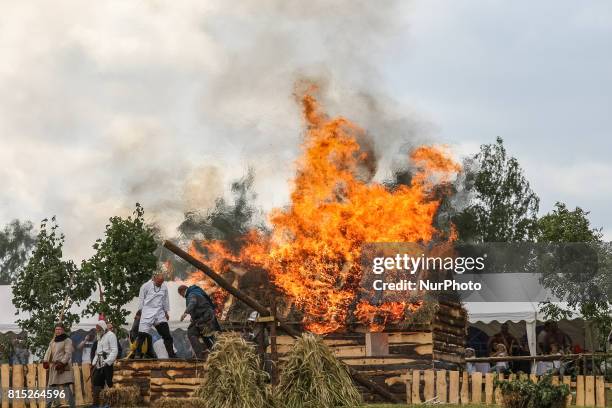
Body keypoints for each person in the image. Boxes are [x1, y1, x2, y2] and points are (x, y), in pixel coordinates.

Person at [134, 272, 176, 358]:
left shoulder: (164, 287)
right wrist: (139, 313)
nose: (160, 284)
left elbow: (165, 300)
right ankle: (137, 355)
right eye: (158, 282)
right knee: (142, 335)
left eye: (161, 282)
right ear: (154, 279)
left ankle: (171, 355)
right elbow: (141, 300)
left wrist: (166, 312)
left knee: (167, 335)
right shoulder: (145, 286)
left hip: (159, 313)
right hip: (147, 312)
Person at [178, 284, 220, 359]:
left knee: (191, 333)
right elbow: (199, 306)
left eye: (180, 294)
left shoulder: (191, 294)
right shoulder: (195, 291)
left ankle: (200, 355)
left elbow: (193, 303)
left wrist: (185, 313)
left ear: (182, 291)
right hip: (207, 316)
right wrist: (193, 317)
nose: (181, 296)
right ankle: (214, 353)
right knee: (206, 335)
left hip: (205, 318)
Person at [43, 323, 76, 408]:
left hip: (63, 367)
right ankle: (49, 405)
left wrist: (62, 363)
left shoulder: (67, 340)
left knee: (66, 387)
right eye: (56, 329)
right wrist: (45, 361)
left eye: (59, 329)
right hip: (54, 367)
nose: (58, 331)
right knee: (51, 387)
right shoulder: (53, 340)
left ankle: (72, 406)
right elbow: (48, 351)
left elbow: (68, 353)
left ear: (63, 330)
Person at [91, 320, 118, 408]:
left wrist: (108, 361)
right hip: (99, 362)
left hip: (107, 362)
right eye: (97, 329)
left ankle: (110, 404)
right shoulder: (100, 336)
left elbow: (114, 350)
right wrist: (94, 362)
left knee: (109, 383)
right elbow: (98, 352)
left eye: (98, 329)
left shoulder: (111, 335)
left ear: (103, 327)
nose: (97, 330)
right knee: (96, 382)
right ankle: (97, 404)